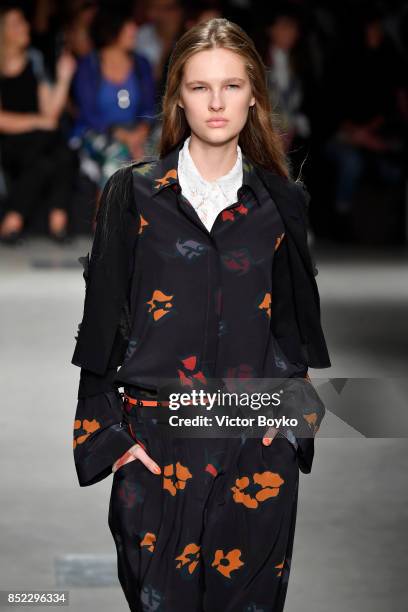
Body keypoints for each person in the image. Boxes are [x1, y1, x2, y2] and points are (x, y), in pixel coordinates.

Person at [71, 18, 331, 612]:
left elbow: (297, 334)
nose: (217, 102)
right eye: (200, 87)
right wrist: (112, 441)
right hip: (157, 451)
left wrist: (290, 430)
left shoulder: (281, 202)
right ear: (178, 98)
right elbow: (100, 331)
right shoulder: (131, 195)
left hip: (255, 451)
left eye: (233, 86)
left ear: (254, 96)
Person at [0, 4, 77, 244]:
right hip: (8, 142)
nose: (25, 27)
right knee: (58, 146)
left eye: (24, 22)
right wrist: (38, 122)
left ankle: (14, 220)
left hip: (37, 142)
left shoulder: (34, 59)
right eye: (16, 24)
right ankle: (57, 220)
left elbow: (50, 114)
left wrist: (64, 79)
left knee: (51, 156)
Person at [70, 6, 156, 190]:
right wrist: (124, 136)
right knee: (116, 162)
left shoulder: (142, 63)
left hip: (136, 132)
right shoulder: (89, 67)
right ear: (111, 29)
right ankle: (104, 218)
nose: (135, 30)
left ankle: (153, 218)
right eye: (128, 25)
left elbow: (149, 107)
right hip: (98, 132)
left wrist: (140, 133)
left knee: (154, 162)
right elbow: (88, 113)